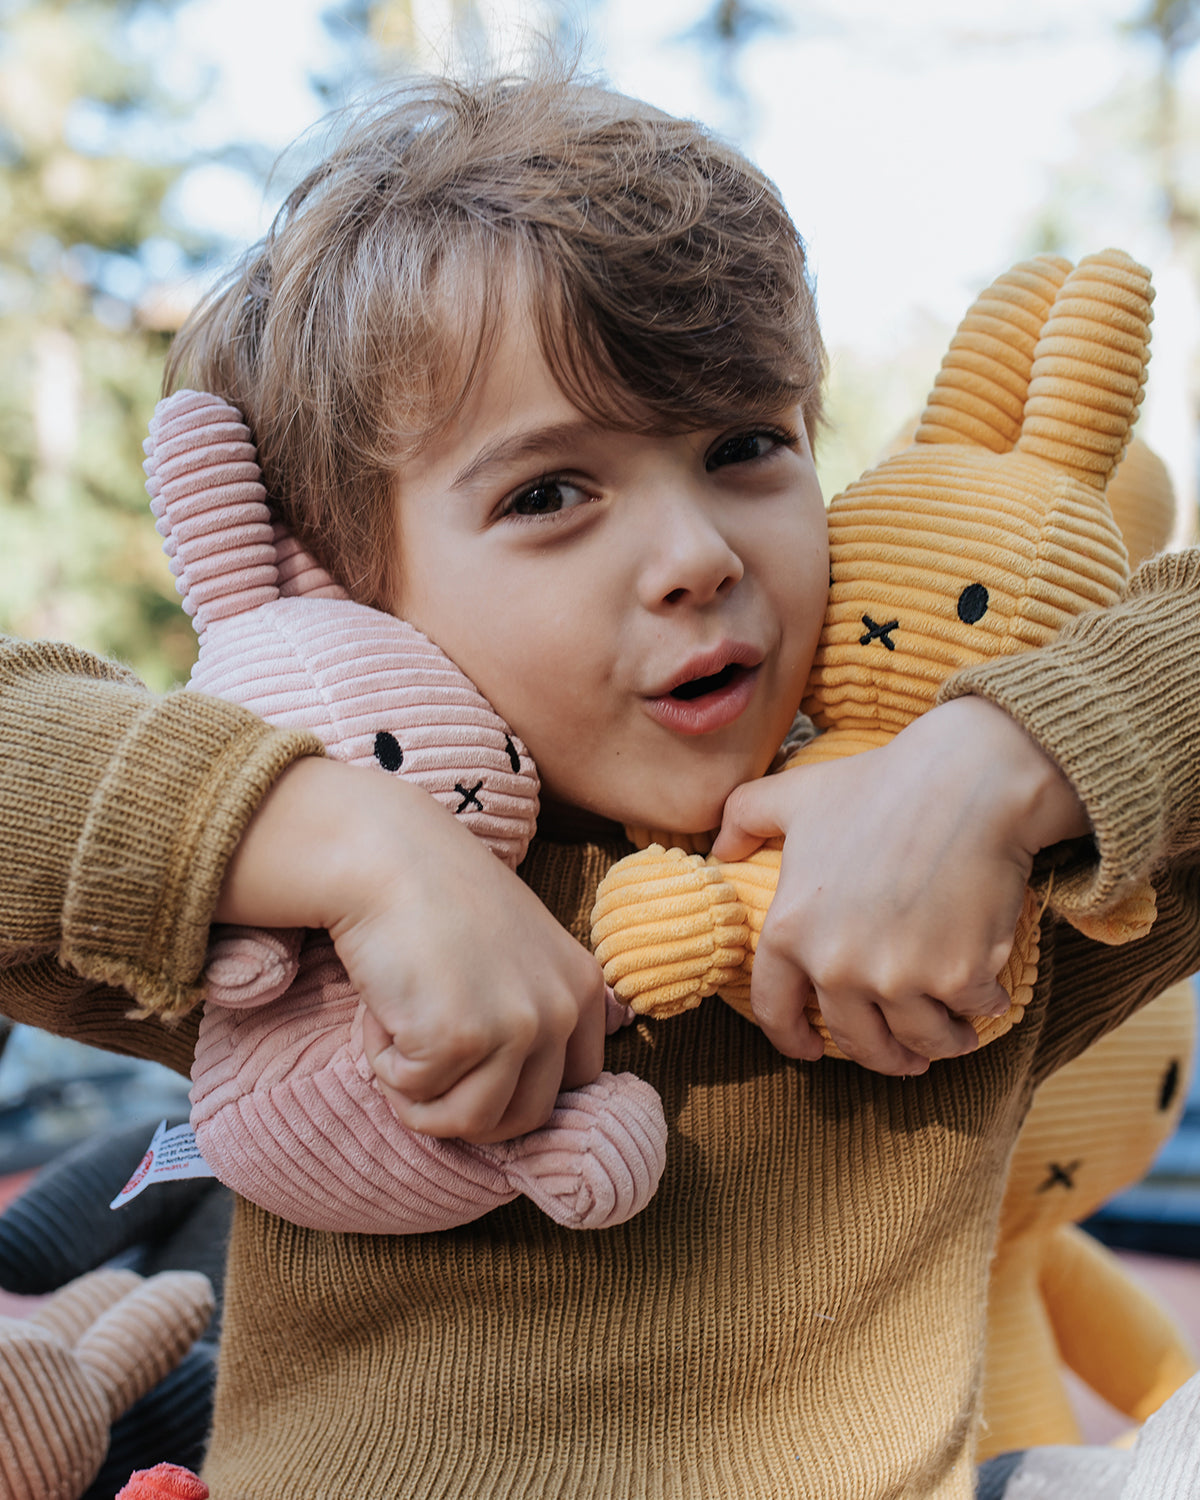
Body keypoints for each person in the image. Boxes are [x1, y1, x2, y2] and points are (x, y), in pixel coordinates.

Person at [1, 68, 1197, 1500]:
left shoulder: (956, 892)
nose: (698, 551)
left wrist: (1001, 766)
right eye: (548, 494)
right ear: (354, 587)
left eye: (748, 446)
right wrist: (350, 845)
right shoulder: (288, 941)